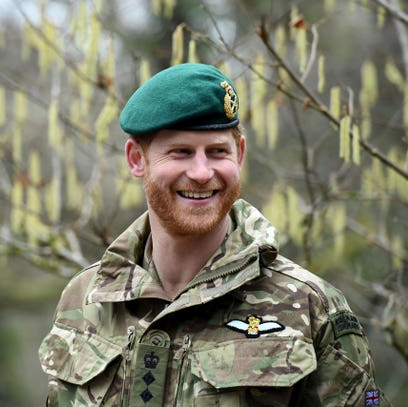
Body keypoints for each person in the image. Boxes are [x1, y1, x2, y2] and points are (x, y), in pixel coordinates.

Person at [39, 63, 390, 406]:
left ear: (239, 155)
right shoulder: (86, 299)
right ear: (137, 159)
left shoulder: (311, 307)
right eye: (181, 152)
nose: (202, 172)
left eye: (218, 152)